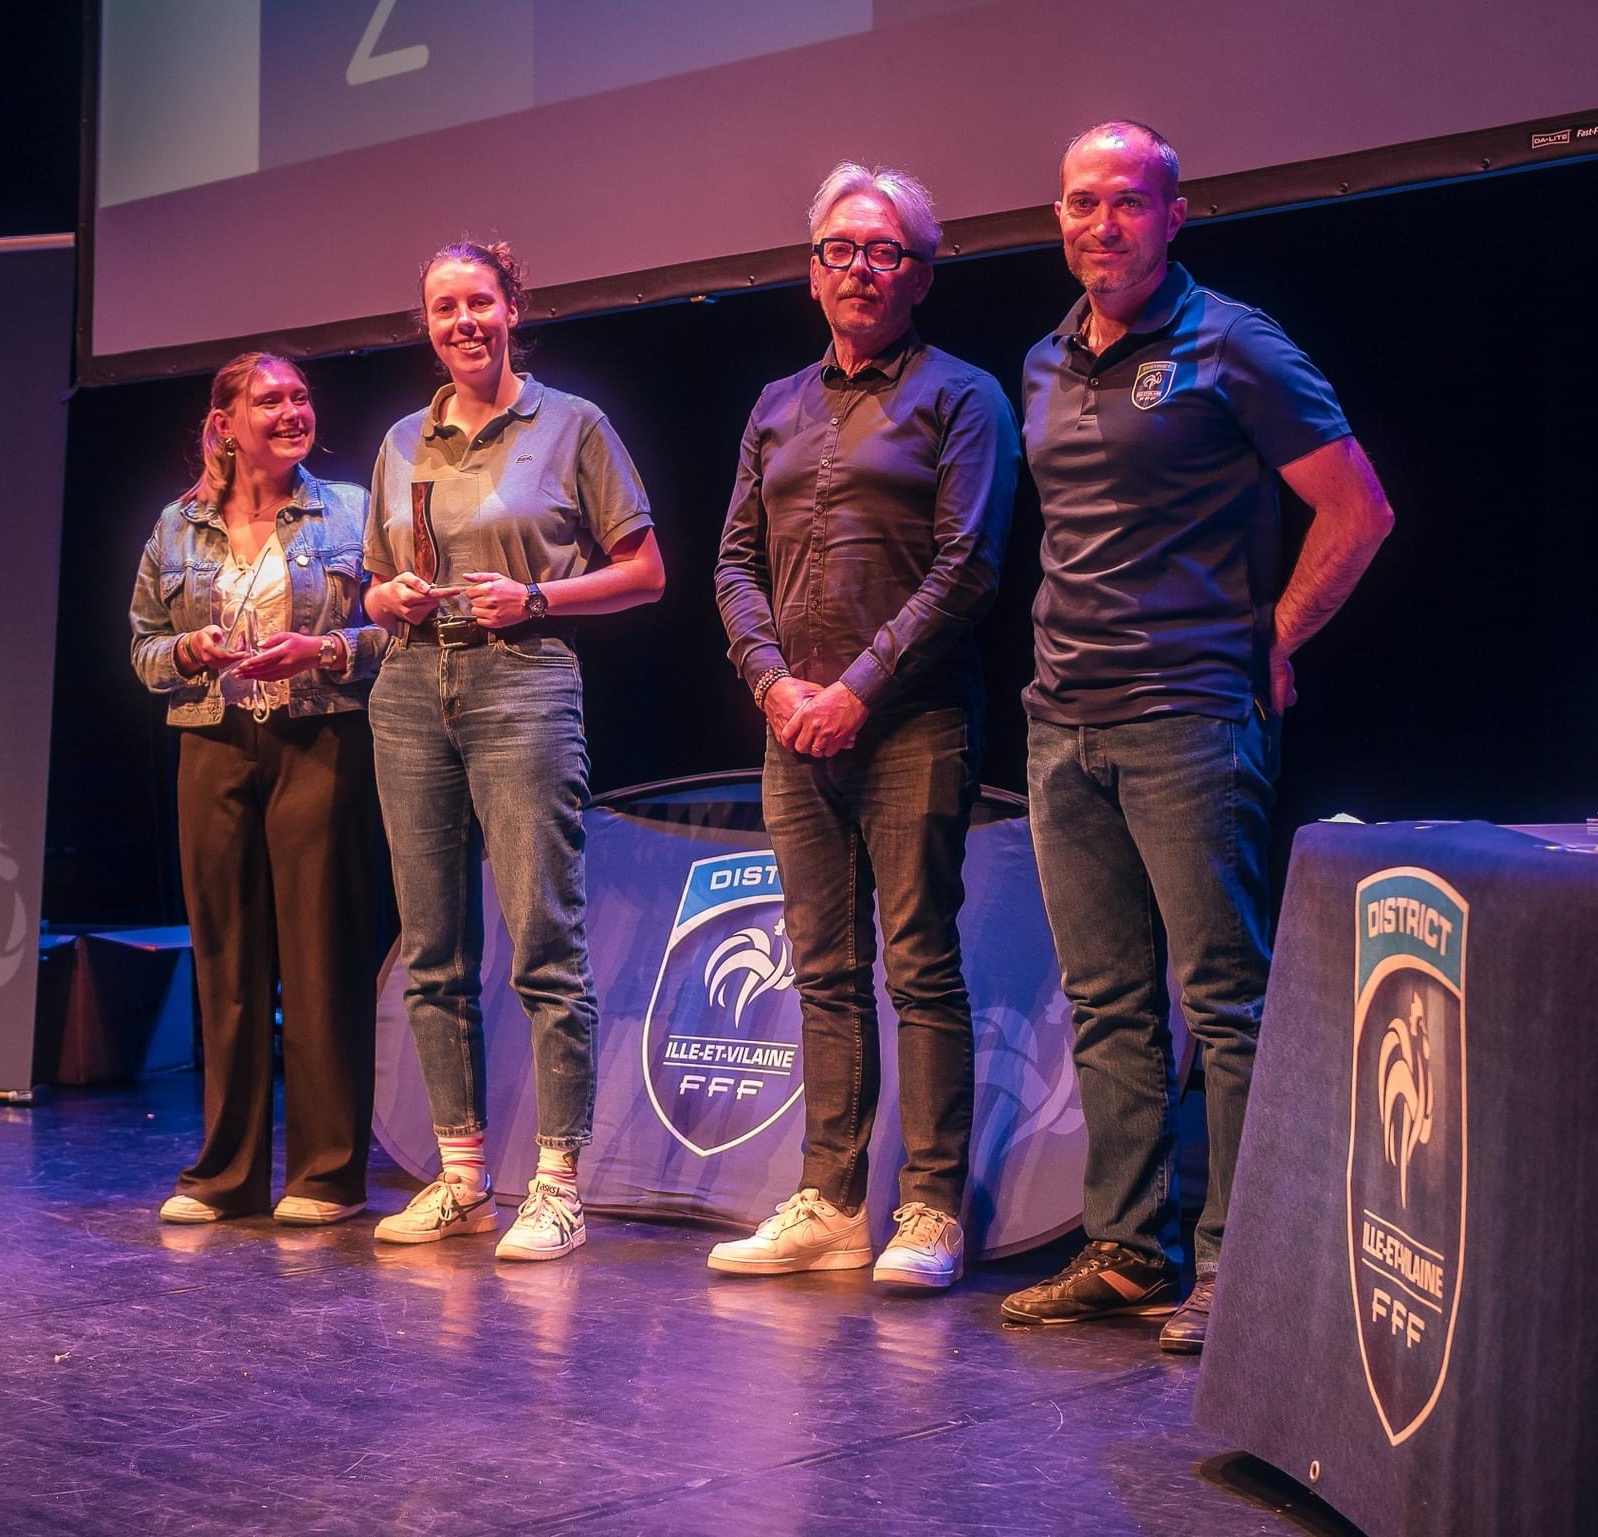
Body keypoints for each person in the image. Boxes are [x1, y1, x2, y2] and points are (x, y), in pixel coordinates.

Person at [1000, 122, 1394, 1349]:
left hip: (1187, 715)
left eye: (1125, 202)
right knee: (1106, 999)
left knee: (1220, 996)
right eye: (1078, 202)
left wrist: (1267, 639)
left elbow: (1357, 508)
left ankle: (1239, 1262)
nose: (1098, 225)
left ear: (1174, 215)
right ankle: (1128, 1250)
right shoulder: (1042, 358)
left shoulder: (1233, 340)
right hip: (1060, 721)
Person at [709, 163, 1019, 1290]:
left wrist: (856, 690)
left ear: (918, 273)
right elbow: (733, 564)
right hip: (790, 724)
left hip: (913, 723)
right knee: (823, 970)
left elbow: (968, 566)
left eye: (881, 250)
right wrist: (774, 686)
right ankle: (832, 1201)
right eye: (838, 249)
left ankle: (929, 1207)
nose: (858, 268)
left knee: (920, 966)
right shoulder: (775, 403)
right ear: (811, 271)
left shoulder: (963, 395)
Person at [363, 239, 665, 1261]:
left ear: (510, 309)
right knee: (432, 947)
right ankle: (459, 1181)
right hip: (409, 686)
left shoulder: (570, 423)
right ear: (428, 324)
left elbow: (646, 571)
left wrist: (534, 595)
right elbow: (371, 584)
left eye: (478, 303)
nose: (463, 323)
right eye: (444, 308)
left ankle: (555, 1183)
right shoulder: (404, 438)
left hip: (524, 681)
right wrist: (384, 596)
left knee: (544, 941)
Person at [129, 352, 385, 1228]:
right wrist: (187, 653)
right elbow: (141, 649)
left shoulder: (352, 508)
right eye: (269, 400)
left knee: (321, 956)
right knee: (226, 960)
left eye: (301, 397)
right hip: (213, 742)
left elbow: (397, 632)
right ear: (224, 425)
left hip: (320, 737)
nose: (291, 412)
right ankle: (226, 1174)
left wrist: (325, 651)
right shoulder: (178, 525)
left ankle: (326, 1173)